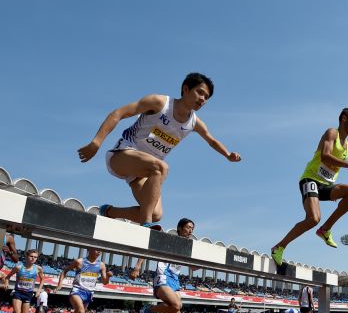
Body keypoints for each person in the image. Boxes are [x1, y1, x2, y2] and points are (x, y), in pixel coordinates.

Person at [77, 73, 242, 230]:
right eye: (200, 92)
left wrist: (227, 154)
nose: (202, 99)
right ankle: (146, 226)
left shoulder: (194, 123)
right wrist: (96, 142)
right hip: (123, 154)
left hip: (144, 171)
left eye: (206, 98)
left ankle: (109, 212)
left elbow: (211, 140)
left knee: (156, 214)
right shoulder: (159, 103)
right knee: (161, 167)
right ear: (185, 89)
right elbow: (118, 113)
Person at [270, 109, 348, 265]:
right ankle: (279, 247)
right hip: (310, 180)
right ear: (343, 119)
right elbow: (325, 156)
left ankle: (325, 229)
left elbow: (332, 168)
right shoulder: (332, 133)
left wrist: (335, 191)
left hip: (326, 185)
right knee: (313, 218)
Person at [132, 218, 199, 313]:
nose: (191, 230)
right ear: (180, 228)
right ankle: (149, 309)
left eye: (192, 228)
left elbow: (193, 267)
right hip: (163, 276)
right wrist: (138, 267)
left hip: (175, 280)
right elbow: (147, 249)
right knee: (177, 305)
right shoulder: (168, 240)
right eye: (188, 227)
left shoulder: (188, 246)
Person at [53, 249, 111, 313]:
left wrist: (108, 276)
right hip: (77, 290)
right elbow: (65, 271)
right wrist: (60, 284)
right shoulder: (79, 261)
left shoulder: (101, 265)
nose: (99, 252)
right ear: (89, 250)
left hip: (89, 293)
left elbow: (104, 282)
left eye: (100, 251)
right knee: (80, 311)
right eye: (97, 250)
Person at [0, 249, 44, 313]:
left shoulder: (38, 269)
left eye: (35, 257)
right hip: (18, 293)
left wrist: (38, 290)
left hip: (28, 294)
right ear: (26, 256)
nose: (33, 258)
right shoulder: (19, 267)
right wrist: (6, 283)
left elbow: (42, 279)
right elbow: (7, 277)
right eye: (31, 256)